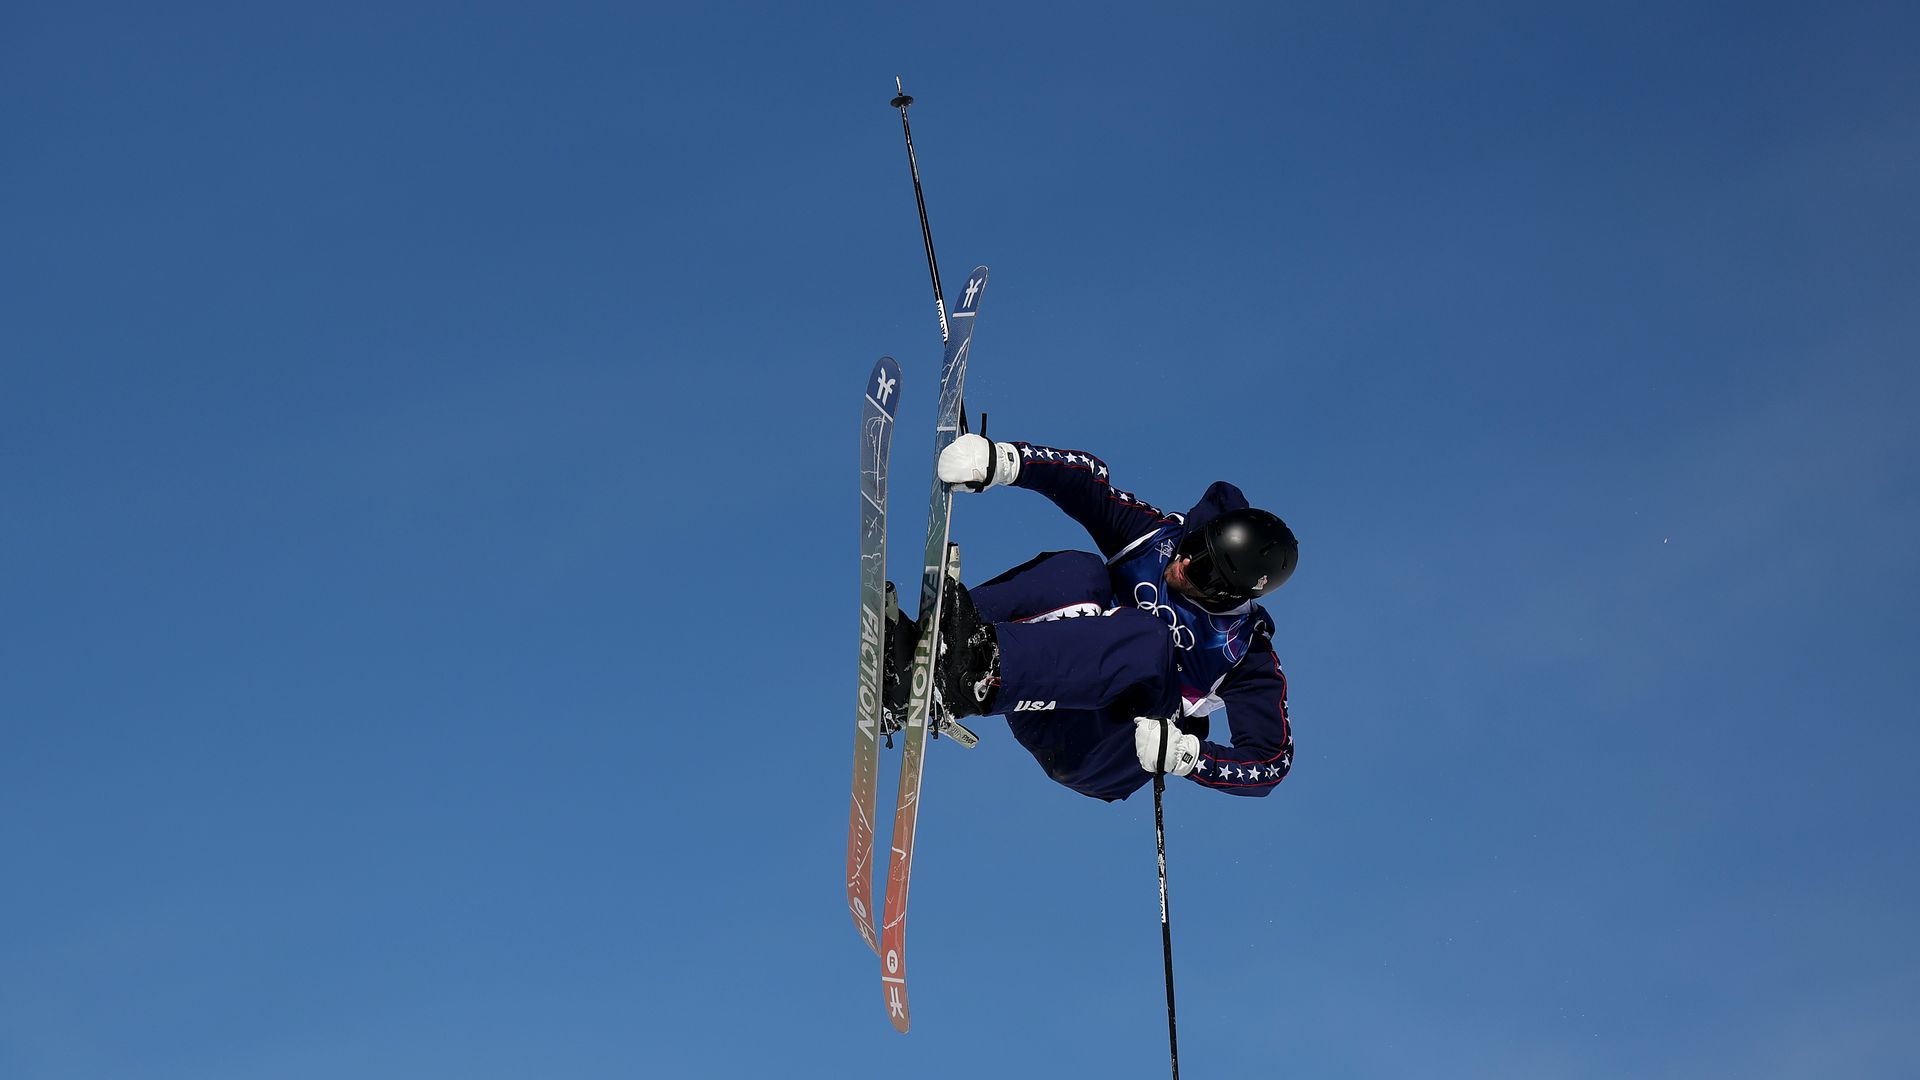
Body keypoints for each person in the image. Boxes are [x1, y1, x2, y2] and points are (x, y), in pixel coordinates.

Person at [884, 434, 1298, 803]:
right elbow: (1087, 482)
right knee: (1080, 569)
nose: (1186, 562)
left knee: (1150, 640)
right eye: (1196, 544)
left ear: (1229, 594)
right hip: (1044, 690)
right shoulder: (1155, 540)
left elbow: (1271, 760)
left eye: (1206, 570)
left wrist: (1189, 757)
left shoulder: (1244, 652)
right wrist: (1005, 461)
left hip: (1102, 749)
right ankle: (937, 650)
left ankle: (973, 672)